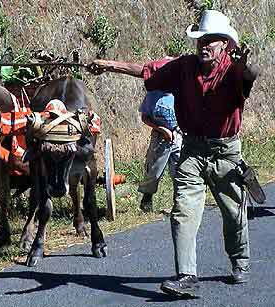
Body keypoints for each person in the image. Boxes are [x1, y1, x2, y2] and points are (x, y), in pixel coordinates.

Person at [88, 10, 259, 298]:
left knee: (233, 213)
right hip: (191, 150)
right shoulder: (183, 67)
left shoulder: (234, 70)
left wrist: (246, 66)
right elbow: (147, 70)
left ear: (225, 45)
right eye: (201, 39)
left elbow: (250, 77)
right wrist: (108, 65)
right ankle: (186, 275)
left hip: (226, 153)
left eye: (212, 40)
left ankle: (240, 261)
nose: (205, 44)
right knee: (183, 211)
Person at [138, 58, 182, 213]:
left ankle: (180, 203)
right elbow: (145, 117)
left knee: (180, 170)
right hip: (160, 137)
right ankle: (147, 198)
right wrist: (162, 129)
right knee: (154, 170)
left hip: (179, 135)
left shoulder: (182, 92)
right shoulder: (153, 95)